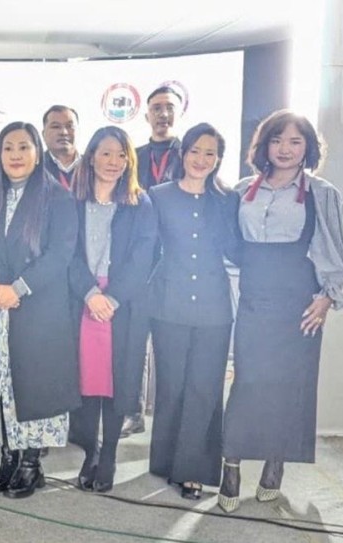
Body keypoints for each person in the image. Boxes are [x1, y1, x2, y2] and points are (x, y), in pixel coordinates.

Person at [218, 111, 343, 513]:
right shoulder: (242, 190)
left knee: (290, 385)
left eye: (295, 141)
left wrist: (327, 296)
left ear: (308, 147)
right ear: (264, 146)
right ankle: (231, 464)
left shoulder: (321, 192)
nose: (286, 149)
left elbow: (333, 248)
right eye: (277, 141)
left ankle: (274, 466)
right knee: (248, 382)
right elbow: (229, 248)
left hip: (299, 302)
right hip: (255, 296)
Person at [0, 122, 79, 499]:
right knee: (1, 385)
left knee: (33, 386)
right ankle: (8, 457)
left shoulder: (57, 198)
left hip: (38, 311)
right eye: (8, 148)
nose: (15, 155)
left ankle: (31, 463)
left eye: (24, 147)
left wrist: (18, 289)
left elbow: (60, 255)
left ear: (37, 152)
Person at [147, 122, 239, 500]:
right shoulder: (158, 195)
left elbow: (236, 248)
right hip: (168, 304)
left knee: (204, 389)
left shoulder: (227, 199)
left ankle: (192, 471)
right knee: (172, 387)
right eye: (195, 151)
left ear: (218, 159)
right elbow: (148, 251)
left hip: (215, 308)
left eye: (210, 153)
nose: (201, 159)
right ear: (182, 153)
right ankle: (165, 461)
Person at [67, 126, 157, 492]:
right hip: (82, 300)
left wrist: (113, 298)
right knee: (87, 382)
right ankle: (90, 450)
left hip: (124, 305)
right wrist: (90, 294)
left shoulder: (140, 203)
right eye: (105, 153)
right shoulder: (71, 201)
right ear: (91, 157)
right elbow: (66, 253)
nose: (113, 162)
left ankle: (110, 455)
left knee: (117, 382)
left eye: (121, 155)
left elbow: (143, 258)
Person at [123, 85, 186, 439]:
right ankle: (131, 411)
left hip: (176, 263)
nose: (163, 114)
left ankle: (168, 416)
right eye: (157, 108)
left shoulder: (188, 154)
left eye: (169, 108)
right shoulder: (134, 155)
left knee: (170, 345)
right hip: (139, 263)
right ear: (146, 114)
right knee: (133, 342)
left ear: (177, 114)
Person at [42, 105, 82, 189]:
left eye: (69, 126)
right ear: (43, 134)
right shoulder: (35, 168)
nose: (64, 132)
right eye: (56, 127)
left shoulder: (93, 166)